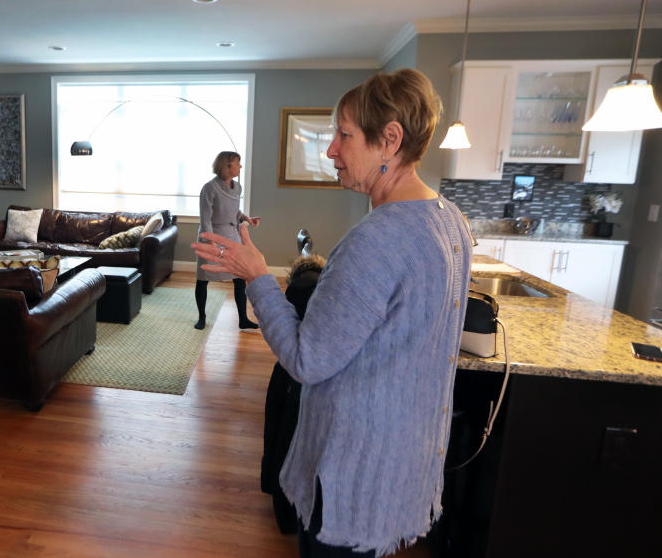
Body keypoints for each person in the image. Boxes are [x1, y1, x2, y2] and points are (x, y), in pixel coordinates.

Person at [192, 69, 473, 557]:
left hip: (353, 472)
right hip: (407, 461)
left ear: (390, 140)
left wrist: (256, 274)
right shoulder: (451, 221)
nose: (331, 151)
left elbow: (306, 359)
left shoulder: (376, 239)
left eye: (344, 135)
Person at [194, 150, 261, 330]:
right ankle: (201, 317)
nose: (241, 166)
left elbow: (234, 212)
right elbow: (205, 218)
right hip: (211, 237)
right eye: (238, 163)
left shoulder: (237, 188)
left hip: (231, 237)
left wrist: (246, 218)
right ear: (227, 166)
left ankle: (243, 319)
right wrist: (210, 242)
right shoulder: (209, 189)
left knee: (239, 278)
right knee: (203, 279)